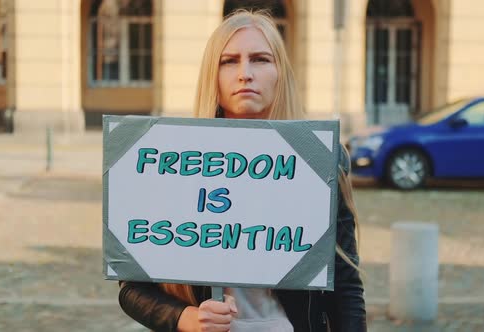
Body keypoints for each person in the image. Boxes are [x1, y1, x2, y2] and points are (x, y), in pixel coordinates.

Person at [118, 10, 366, 332]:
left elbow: (346, 284)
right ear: (213, 76)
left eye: (260, 59)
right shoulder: (172, 162)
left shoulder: (321, 161)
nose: (244, 73)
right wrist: (186, 318)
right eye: (229, 61)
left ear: (280, 72)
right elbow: (131, 288)